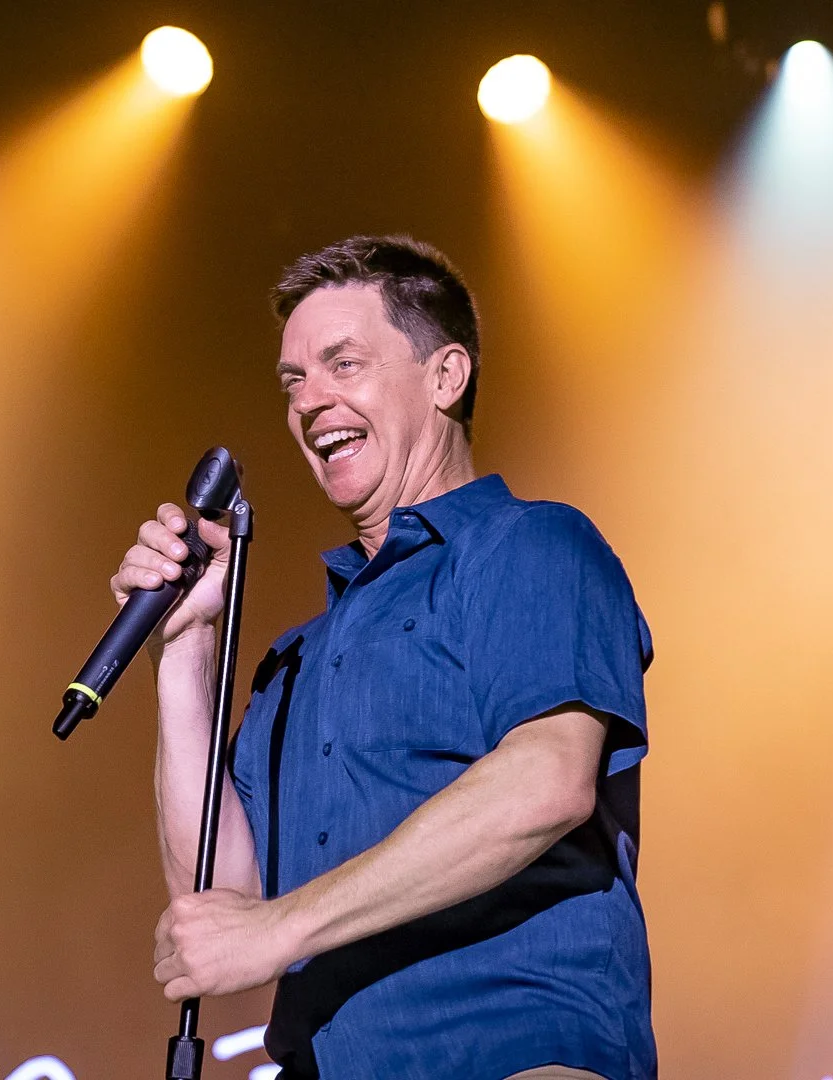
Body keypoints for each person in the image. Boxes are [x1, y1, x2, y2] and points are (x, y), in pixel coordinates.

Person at [113, 236, 657, 1080]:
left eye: (343, 364)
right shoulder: (298, 658)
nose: (309, 401)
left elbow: (545, 782)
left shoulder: (532, 546)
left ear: (447, 377)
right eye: (294, 381)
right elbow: (221, 899)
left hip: (520, 1054)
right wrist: (184, 653)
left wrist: (283, 929)